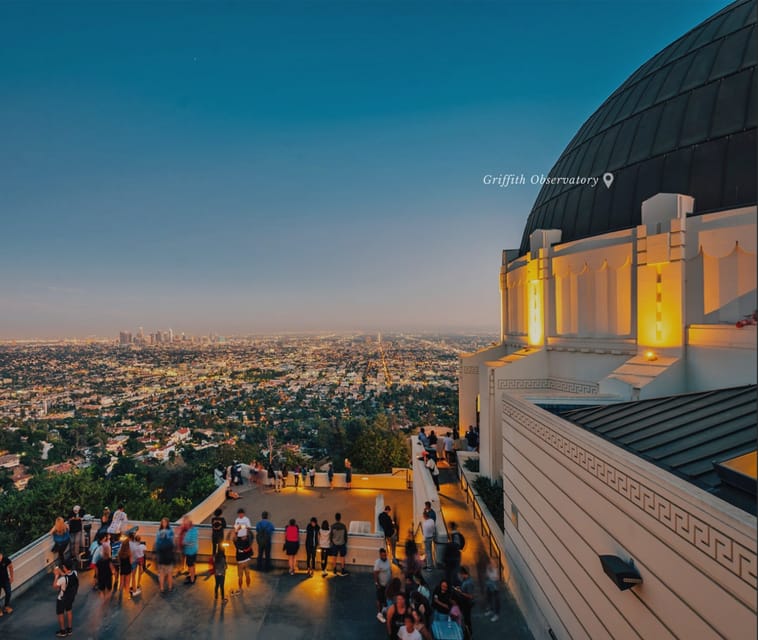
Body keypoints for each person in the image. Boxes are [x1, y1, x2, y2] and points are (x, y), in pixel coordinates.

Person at [53, 559, 78, 638]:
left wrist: (56, 576)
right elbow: (67, 575)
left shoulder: (62, 579)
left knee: (60, 614)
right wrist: (60, 572)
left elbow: (55, 586)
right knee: (69, 611)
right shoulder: (75, 573)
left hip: (62, 599)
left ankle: (63, 631)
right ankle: (69, 629)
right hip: (70, 597)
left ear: (64, 567)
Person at [454, 566, 475, 637]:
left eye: (459, 574)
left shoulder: (469, 582)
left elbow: (471, 596)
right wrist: (460, 588)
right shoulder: (465, 580)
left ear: (462, 573)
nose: (459, 576)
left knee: (467, 619)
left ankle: (468, 634)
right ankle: (467, 632)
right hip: (464, 602)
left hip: (467, 603)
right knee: (465, 619)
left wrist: (460, 592)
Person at [155, 517, 174, 594]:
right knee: (169, 573)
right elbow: (172, 543)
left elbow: (156, 543)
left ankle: (162, 588)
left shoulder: (159, 532)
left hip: (161, 555)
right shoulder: (170, 531)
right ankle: (170, 587)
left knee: (162, 573)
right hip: (168, 555)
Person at [373, 548, 392, 623]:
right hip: (381, 585)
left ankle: (384, 609)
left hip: (387, 584)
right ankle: (379, 613)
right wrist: (377, 583)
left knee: (385, 597)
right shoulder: (378, 563)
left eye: (385, 555)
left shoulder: (388, 561)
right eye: (383, 555)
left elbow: (389, 570)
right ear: (380, 555)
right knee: (379, 599)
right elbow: (375, 574)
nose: (384, 557)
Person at [232, 530, 253, 595]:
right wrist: (247, 530)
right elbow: (251, 535)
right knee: (247, 573)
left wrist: (236, 532)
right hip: (247, 559)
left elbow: (234, 539)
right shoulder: (248, 542)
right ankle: (248, 586)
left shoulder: (237, 543)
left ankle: (240, 588)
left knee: (240, 576)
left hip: (240, 561)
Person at [181, 516, 198, 584]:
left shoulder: (190, 531)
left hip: (190, 551)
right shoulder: (194, 530)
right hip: (193, 550)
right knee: (192, 564)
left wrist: (184, 542)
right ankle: (192, 575)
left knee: (190, 565)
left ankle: (192, 579)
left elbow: (190, 542)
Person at [0, 548, 14, 616]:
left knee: (8, 593)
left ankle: (6, 606)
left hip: (5, 580)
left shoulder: (5, 559)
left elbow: (11, 567)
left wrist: (12, 577)